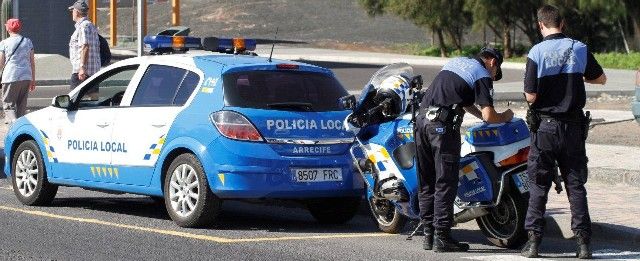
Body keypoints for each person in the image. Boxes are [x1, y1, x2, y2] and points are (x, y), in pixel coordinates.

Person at [520, 5, 607, 259]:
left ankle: (534, 243)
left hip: (545, 129)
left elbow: (530, 95)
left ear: (540, 25)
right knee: (575, 185)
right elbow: (601, 78)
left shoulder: (537, 52)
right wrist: (577, 76)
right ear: (563, 23)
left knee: (538, 185)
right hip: (573, 128)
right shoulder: (579, 48)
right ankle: (583, 245)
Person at [416, 47, 513, 252]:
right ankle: (442, 237)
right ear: (493, 63)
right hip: (442, 128)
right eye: (496, 74)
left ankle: (429, 235)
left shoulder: (456, 62)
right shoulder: (482, 73)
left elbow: (465, 103)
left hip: (422, 122)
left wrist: (480, 117)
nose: (493, 77)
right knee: (446, 181)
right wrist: (505, 116)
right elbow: (489, 115)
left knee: (427, 181)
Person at [0, 18, 35, 124]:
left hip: (10, 76)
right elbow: (32, 62)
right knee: (21, 106)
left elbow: (1, 62)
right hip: (26, 76)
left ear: (8, 28)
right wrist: (33, 79)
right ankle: (19, 127)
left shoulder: (4, 43)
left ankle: (14, 122)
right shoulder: (28, 41)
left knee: (8, 105)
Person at [68, 0, 100, 91]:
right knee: (92, 100)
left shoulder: (83, 26)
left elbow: (85, 46)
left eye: (73, 11)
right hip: (93, 72)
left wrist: (82, 67)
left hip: (82, 73)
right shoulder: (91, 26)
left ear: (77, 12)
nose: (72, 13)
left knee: (73, 101)